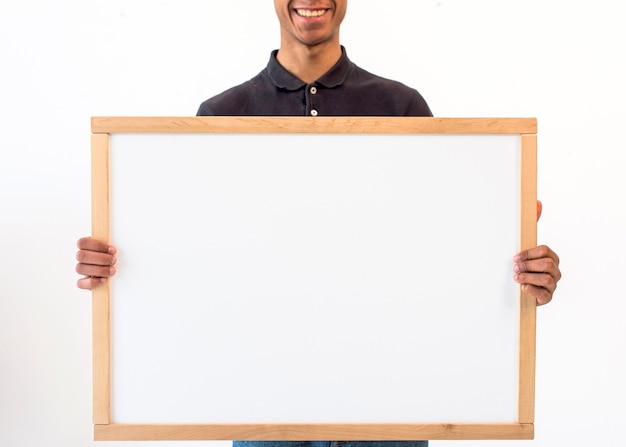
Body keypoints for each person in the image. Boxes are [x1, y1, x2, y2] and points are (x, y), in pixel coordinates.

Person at [76, 1, 562, 446]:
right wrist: (117, 268)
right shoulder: (219, 118)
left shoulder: (402, 108)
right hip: (263, 413)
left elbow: (444, 253)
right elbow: (189, 263)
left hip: (390, 410)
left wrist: (521, 266)